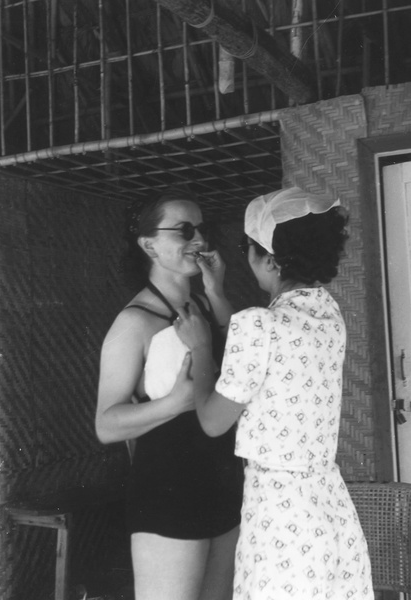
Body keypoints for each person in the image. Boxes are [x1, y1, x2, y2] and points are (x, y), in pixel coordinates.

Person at [174, 187, 374, 600]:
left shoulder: (258, 326)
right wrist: (217, 293)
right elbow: (266, 355)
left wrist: (200, 347)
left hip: (281, 516)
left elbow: (214, 421)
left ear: (270, 259)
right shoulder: (325, 312)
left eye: (249, 248)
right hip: (328, 507)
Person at [95, 188, 243, 600]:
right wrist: (174, 404)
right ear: (149, 245)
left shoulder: (205, 305)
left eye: (202, 229)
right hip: (168, 492)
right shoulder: (134, 323)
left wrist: (217, 293)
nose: (199, 240)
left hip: (222, 482)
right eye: (184, 231)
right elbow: (106, 425)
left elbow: (242, 365)